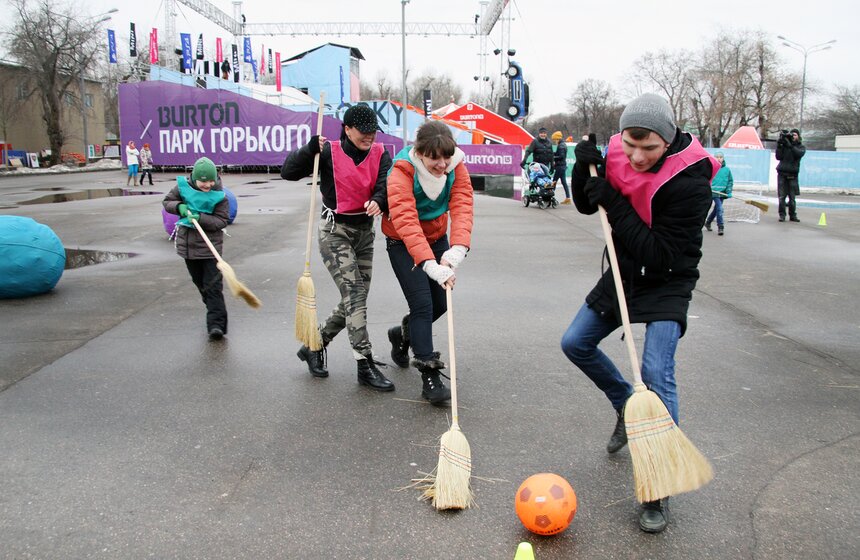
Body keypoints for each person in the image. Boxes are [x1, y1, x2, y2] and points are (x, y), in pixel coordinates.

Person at [561, 93, 718, 533]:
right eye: (630, 144)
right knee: (575, 342)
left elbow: (658, 253)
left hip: (667, 277)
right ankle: (628, 406)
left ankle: (657, 489)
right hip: (624, 272)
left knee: (655, 372)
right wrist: (582, 167)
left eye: (648, 147)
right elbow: (588, 204)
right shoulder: (616, 153)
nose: (636, 156)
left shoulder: (692, 181)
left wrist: (613, 199)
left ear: (667, 140)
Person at [281, 104, 394, 392]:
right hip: (334, 232)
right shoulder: (328, 151)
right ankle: (364, 362)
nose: (370, 137)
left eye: (373, 132)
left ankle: (315, 344)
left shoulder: (381, 154)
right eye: (364, 132)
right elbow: (288, 173)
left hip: (364, 233)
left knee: (354, 299)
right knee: (355, 294)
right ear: (347, 129)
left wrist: (380, 200)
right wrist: (308, 151)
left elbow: (386, 186)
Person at [383, 121, 474, 405]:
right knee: (422, 304)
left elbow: (462, 205)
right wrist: (430, 265)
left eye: (447, 156)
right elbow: (407, 224)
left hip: (436, 236)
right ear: (419, 152)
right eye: (435, 158)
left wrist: (456, 249)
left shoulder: (456, 166)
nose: (442, 164)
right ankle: (429, 375)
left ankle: (404, 333)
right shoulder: (401, 172)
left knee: (441, 303)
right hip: (402, 241)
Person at [162, 157, 230, 341]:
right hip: (189, 249)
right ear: (194, 178)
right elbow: (167, 202)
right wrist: (180, 207)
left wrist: (200, 217)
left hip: (210, 249)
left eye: (211, 180)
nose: (208, 184)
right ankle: (212, 310)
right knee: (201, 285)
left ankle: (217, 325)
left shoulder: (219, 196)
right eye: (203, 181)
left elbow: (221, 221)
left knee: (213, 286)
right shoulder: (183, 188)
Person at [776, 128, 805, 222]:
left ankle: (793, 215)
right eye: (791, 135)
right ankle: (782, 215)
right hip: (782, 173)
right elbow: (778, 157)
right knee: (781, 197)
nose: (793, 136)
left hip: (793, 174)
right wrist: (780, 145)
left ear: (798, 137)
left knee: (792, 197)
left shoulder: (801, 147)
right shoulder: (784, 145)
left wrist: (790, 146)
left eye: (795, 135)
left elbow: (798, 154)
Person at [705, 152, 733, 236]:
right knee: (720, 209)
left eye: (721, 157)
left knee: (717, 209)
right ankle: (721, 227)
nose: (719, 158)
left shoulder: (727, 170)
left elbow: (730, 181)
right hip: (713, 192)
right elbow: (706, 178)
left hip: (722, 193)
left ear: (723, 158)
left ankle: (708, 222)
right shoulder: (712, 167)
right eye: (717, 157)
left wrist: (728, 191)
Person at [551, 131, 572, 204]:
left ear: (557, 139)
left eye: (554, 140)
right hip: (562, 166)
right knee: (564, 182)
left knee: (554, 182)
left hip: (560, 166)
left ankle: (550, 196)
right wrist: (553, 153)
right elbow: (559, 154)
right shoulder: (562, 145)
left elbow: (561, 156)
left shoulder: (561, 146)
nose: (554, 141)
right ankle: (568, 198)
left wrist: (553, 157)